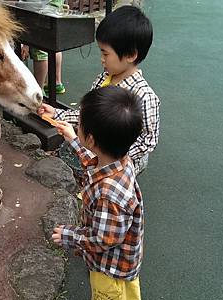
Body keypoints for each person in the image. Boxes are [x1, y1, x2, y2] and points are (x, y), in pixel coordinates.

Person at [52, 86, 144, 300]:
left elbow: (103, 239)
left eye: (79, 123)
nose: (77, 124)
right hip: (112, 261)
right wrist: (72, 138)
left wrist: (69, 235)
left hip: (110, 267)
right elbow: (94, 162)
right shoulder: (120, 161)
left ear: (91, 139)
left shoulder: (109, 195)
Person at [38, 5, 160, 175]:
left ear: (131, 55)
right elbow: (87, 114)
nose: (102, 60)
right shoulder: (104, 78)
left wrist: (114, 158)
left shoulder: (144, 96)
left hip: (120, 163)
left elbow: (148, 140)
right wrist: (57, 114)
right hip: (97, 151)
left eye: (106, 54)